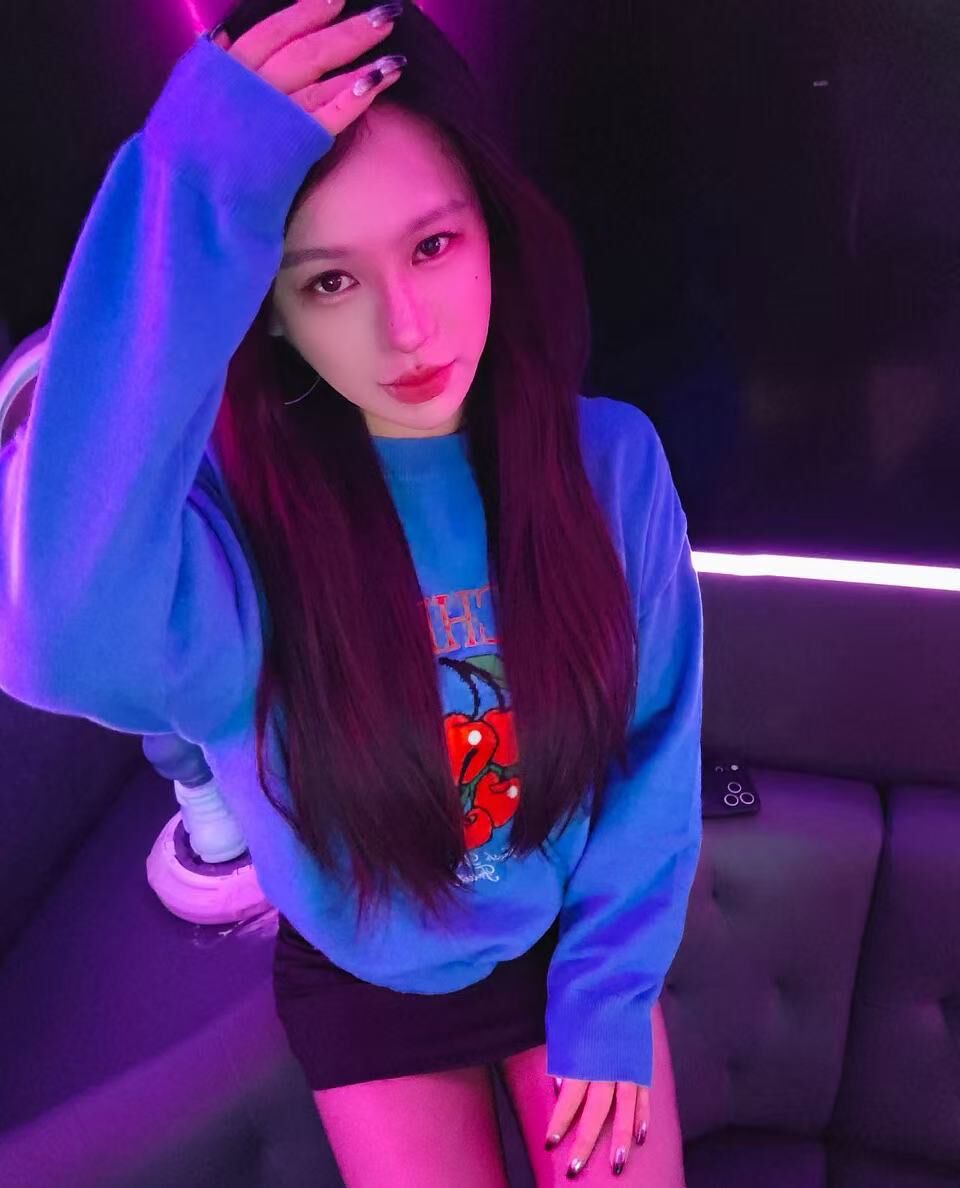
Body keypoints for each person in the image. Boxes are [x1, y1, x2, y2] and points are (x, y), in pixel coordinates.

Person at [0, 0, 701, 1183]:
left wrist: (611, 994)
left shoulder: (609, 464)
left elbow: (652, 755)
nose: (407, 329)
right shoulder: (233, 534)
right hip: (365, 978)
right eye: (328, 281)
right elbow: (58, 636)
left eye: (434, 246)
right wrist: (193, 189)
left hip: (568, 943)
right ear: (268, 310)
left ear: (491, 230)